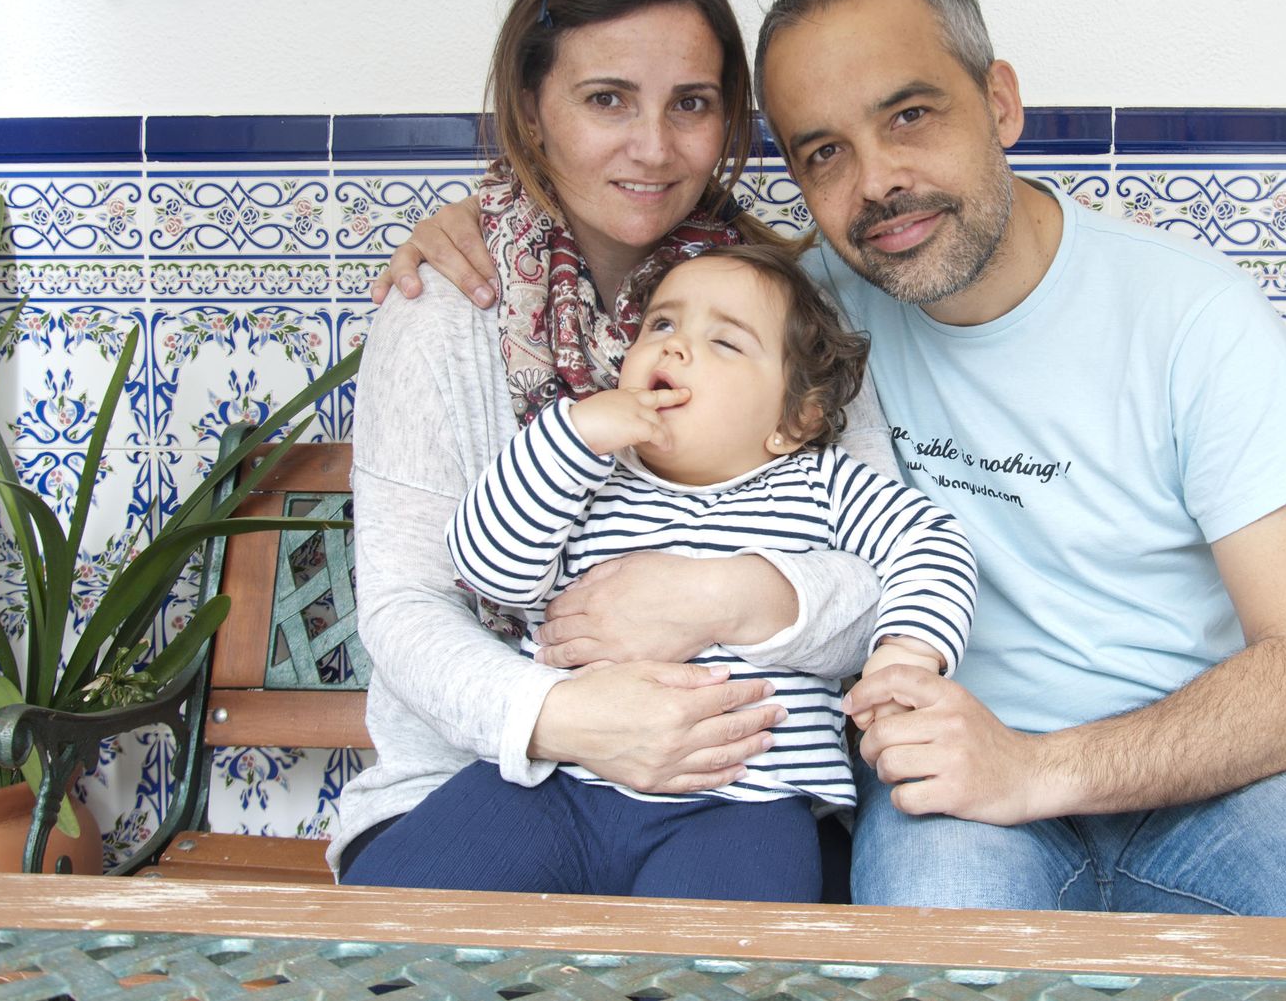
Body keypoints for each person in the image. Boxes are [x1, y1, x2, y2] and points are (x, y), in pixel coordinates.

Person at [382, 0, 1286, 921]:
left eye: (910, 116)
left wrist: (1038, 767)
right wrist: (466, 224)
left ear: (999, 101)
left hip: (1203, 773)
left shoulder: (1190, 312)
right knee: (923, 958)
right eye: (823, 153)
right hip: (931, 777)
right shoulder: (807, 318)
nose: (877, 184)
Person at [332, 0, 903, 892]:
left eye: (691, 104)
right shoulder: (447, 306)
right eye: (607, 99)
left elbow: (879, 574)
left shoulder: (788, 306)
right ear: (532, 106)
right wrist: (570, 716)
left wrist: (724, 596)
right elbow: (405, 605)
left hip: (739, 787)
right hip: (486, 783)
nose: (653, 146)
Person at [366, 245, 977, 900]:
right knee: (397, 906)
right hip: (558, 783)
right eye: (661, 325)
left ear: (793, 419)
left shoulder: (823, 484)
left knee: (720, 960)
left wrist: (907, 651)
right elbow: (489, 567)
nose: (676, 347)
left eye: (724, 342)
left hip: (745, 802)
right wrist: (568, 438)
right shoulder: (585, 473)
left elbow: (930, 540)